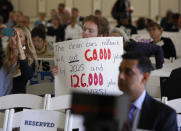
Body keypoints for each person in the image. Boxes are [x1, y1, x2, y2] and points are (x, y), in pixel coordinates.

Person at [118, 51, 178, 131]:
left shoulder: (165, 115)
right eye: (120, 70)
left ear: (144, 78)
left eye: (128, 72)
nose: (121, 76)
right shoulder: (108, 107)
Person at [3, 25, 37, 94]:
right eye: (13, 34)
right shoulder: (3, 56)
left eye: (19, 36)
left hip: (13, 101)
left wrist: (20, 49)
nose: (14, 38)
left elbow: (27, 75)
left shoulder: (29, 60)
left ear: (25, 42)